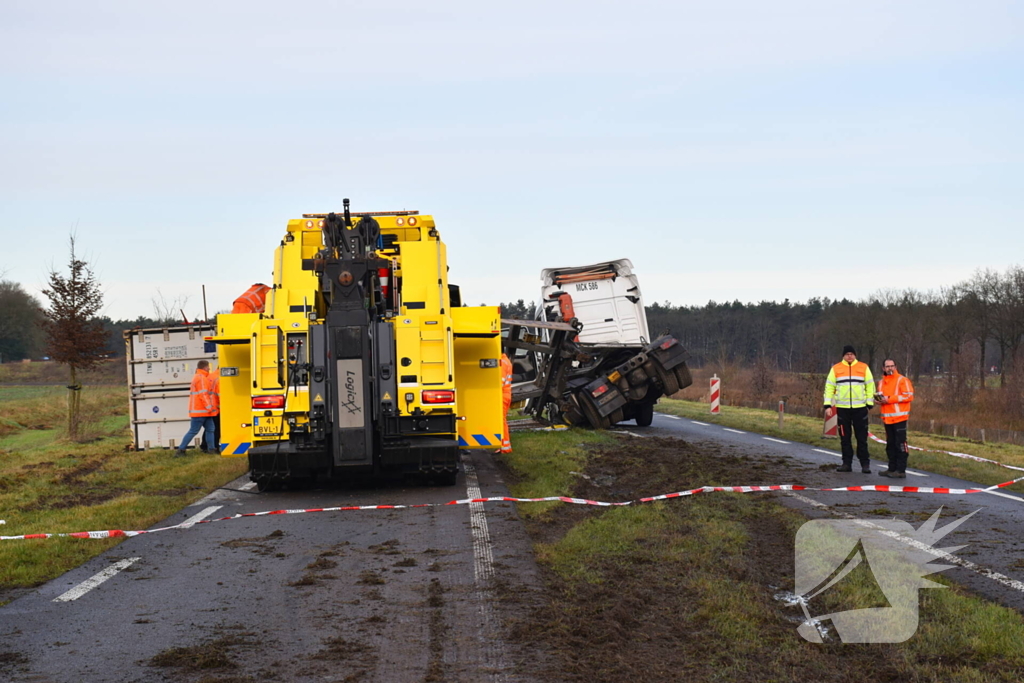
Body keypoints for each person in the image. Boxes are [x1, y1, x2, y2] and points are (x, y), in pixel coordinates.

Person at [823, 345, 875, 473]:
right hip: (843, 409)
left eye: (852, 354)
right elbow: (829, 387)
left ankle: (865, 464)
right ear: (843, 356)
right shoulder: (836, 369)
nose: (850, 356)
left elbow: (870, 386)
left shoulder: (863, 367)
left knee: (861, 438)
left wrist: (869, 403)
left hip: (860, 408)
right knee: (845, 438)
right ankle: (846, 463)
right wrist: (827, 405)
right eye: (847, 354)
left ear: (855, 355)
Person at [876, 359, 914, 478]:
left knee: (900, 444)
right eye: (887, 366)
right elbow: (883, 397)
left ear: (896, 366)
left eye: (892, 366)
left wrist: (889, 399)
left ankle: (901, 470)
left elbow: (908, 396)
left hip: (900, 417)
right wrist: (879, 400)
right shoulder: (881, 382)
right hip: (887, 418)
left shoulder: (902, 380)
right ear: (883, 368)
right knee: (890, 444)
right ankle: (891, 468)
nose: (890, 368)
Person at [177, 360, 216, 456]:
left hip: (203, 411)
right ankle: (181, 450)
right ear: (205, 368)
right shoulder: (201, 378)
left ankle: (211, 449)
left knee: (210, 429)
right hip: (201, 411)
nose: (209, 369)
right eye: (208, 367)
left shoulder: (199, 377)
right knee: (194, 431)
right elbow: (203, 394)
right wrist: (209, 407)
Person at [200, 366, 221, 454]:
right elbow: (220, 395)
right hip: (217, 408)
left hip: (209, 406)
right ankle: (214, 447)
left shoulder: (210, 376)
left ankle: (204, 446)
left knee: (209, 428)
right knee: (216, 429)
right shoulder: (220, 378)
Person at [496, 353, 513, 454]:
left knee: (501, 421)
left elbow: (499, 383)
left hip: (502, 395)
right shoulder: (505, 360)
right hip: (504, 395)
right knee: (501, 421)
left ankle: (505, 447)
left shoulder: (502, 362)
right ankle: (503, 446)